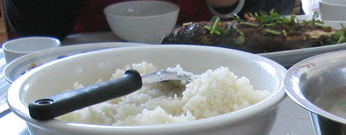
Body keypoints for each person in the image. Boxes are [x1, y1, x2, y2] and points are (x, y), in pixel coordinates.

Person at [3, 0, 296, 40]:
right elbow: (33, 31)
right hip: (80, 67)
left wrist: (229, 3)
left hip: (218, 66)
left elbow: (278, 9)